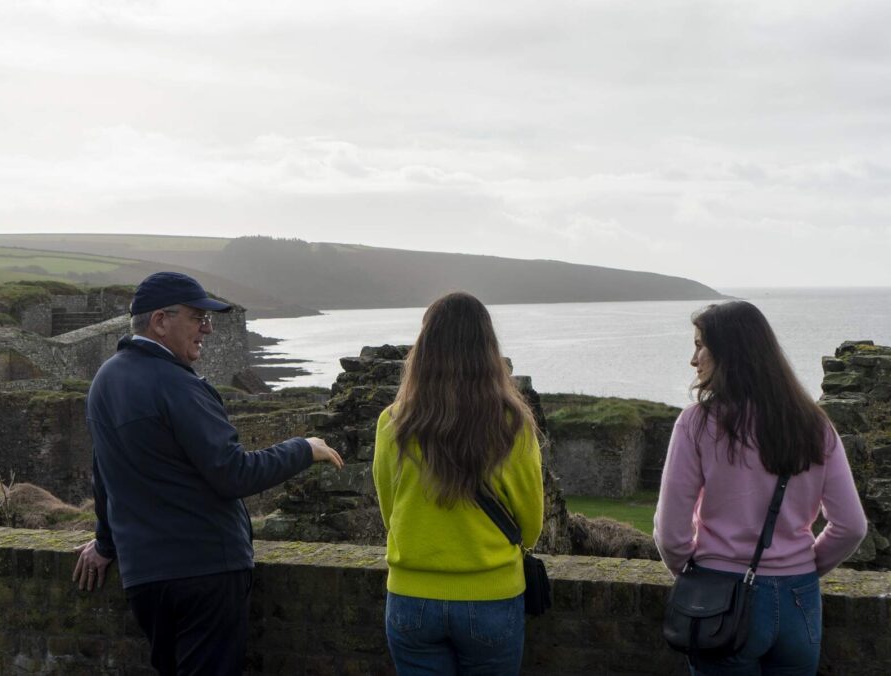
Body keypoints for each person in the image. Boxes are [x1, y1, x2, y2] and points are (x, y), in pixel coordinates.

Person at [72, 271, 343, 676]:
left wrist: (106, 544)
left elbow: (104, 475)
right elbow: (232, 473)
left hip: (145, 578)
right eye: (198, 318)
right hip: (205, 572)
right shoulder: (178, 385)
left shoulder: (104, 381)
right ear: (161, 321)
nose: (208, 329)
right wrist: (302, 449)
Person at [653, 301, 868, 676]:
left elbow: (671, 534)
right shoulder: (814, 425)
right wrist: (802, 566)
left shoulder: (696, 424)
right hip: (799, 598)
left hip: (719, 597)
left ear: (728, 353)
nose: (694, 359)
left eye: (701, 345)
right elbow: (851, 526)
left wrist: (694, 577)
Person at [372, 292, 544, 676]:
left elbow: (390, 512)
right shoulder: (513, 425)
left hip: (411, 597)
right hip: (492, 596)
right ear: (488, 350)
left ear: (425, 348)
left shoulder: (392, 422)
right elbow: (530, 527)